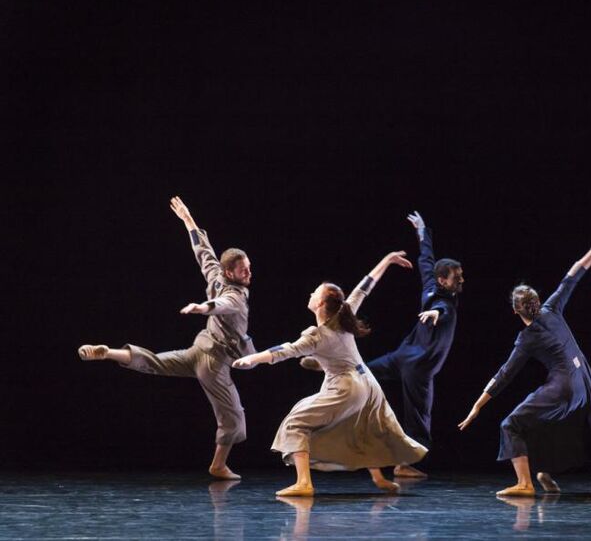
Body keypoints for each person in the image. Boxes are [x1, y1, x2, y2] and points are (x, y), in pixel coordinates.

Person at [78, 196, 255, 480]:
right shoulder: (233, 293)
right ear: (229, 273)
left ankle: (109, 352)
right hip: (214, 362)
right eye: (243, 270)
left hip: (199, 350)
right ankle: (218, 465)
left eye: (248, 267)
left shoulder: (215, 275)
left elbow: (204, 252)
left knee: (156, 363)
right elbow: (222, 304)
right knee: (234, 421)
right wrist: (202, 307)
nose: (249, 273)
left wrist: (188, 220)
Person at [458, 231, 591, 496]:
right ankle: (544, 473)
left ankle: (525, 484)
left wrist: (476, 406)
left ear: (515, 311)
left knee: (510, 425)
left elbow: (504, 375)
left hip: (565, 384)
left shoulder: (526, 338)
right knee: (550, 423)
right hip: (585, 383)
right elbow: (573, 275)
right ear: (538, 302)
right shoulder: (552, 308)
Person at [232, 251, 428, 497]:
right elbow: (365, 286)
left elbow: (284, 350)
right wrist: (387, 260)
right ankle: (378, 478)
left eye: (315, 292)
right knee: (362, 426)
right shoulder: (344, 314)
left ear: (322, 303)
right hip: (368, 384)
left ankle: (304, 482)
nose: (311, 294)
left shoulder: (317, 334)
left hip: (347, 386)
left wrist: (252, 358)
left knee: (296, 422)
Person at [364, 211, 463, 478]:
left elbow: (427, 261)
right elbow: (443, 307)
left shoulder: (435, 290)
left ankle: (338, 370)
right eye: (457, 277)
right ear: (443, 280)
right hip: (417, 366)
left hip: (402, 356)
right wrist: (436, 314)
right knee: (418, 418)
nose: (461, 280)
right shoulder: (446, 302)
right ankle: (405, 465)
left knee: (364, 372)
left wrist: (422, 231)